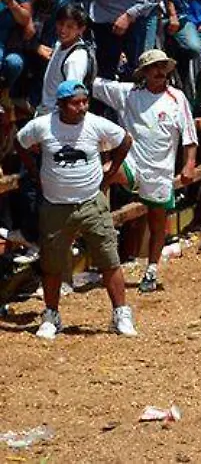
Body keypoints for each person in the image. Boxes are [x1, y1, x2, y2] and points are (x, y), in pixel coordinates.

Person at [16, 80, 137, 340]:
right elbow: (20, 142)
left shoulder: (95, 123)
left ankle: (121, 312)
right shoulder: (42, 125)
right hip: (55, 206)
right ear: (61, 105)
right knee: (51, 264)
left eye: (85, 101)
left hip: (91, 202)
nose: (82, 107)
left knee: (109, 259)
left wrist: (111, 173)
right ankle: (51, 314)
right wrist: (34, 172)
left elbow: (125, 140)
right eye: (75, 103)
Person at [92, 50, 198, 293]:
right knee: (104, 172)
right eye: (154, 67)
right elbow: (94, 84)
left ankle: (151, 269)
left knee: (157, 221)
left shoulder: (177, 98)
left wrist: (189, 164)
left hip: (160, 170)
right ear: (144, 72)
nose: (159, 71)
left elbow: (189, 135)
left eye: (162, 66)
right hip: (132, 162)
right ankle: (94, 220)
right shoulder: (128, 93)